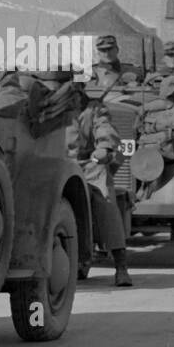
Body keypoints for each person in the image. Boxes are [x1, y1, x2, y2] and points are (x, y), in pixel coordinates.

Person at [42, 70, 132, 287]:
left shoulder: (92, 109)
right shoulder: (44, 109)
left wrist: (104, 148)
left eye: (63, 85)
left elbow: (106, 131)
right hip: (54, 166)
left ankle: (121, 265)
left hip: (87, 165)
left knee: (105, 200)